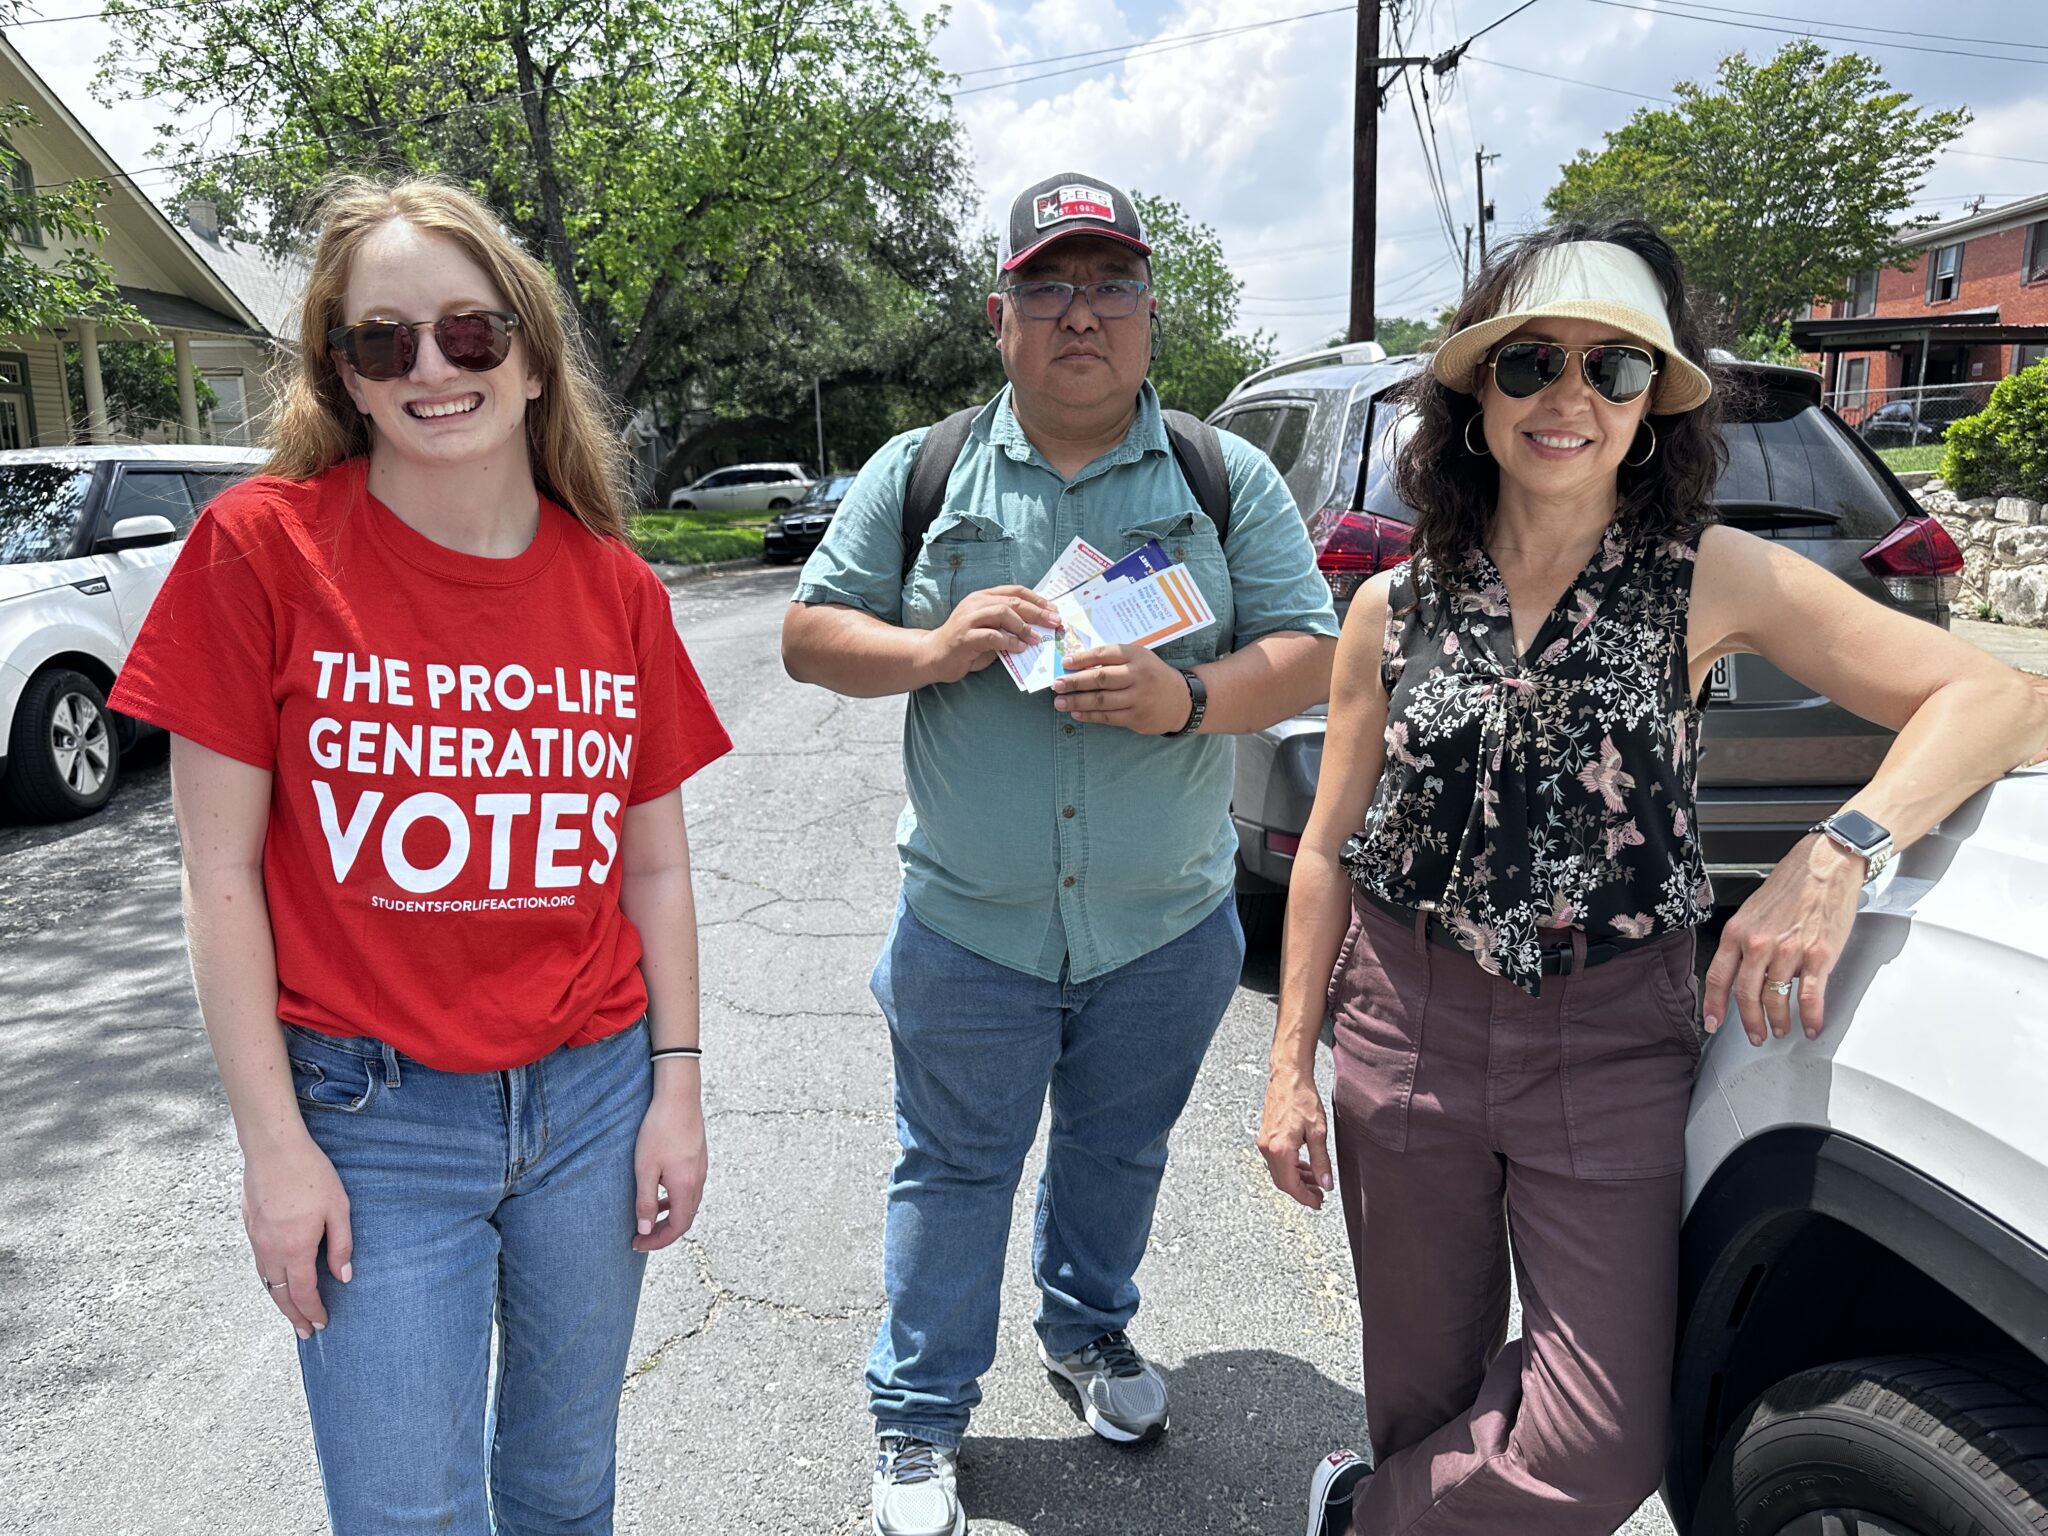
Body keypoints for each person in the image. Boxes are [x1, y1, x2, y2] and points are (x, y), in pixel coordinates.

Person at [1256, 219, 2048, 1536]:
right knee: (1423, 1391)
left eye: (1613, 370)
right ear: (1477, 392)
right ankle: (1403, 1496)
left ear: (1652, 405)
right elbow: (1332, 844)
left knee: (1603, 1434)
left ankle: (1366, 1520)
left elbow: (2000, 699)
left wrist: (1840, 846)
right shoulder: (1389, 606)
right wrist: (1291, 1060)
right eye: (1532, 365)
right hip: (1405, 1026)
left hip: (1607, 1038)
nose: (1570, 397)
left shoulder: (1708, 576)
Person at [109, 175, 731, 1532]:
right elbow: (218, 883)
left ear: (529, 349)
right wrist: (275, 1149)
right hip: (370, 1119)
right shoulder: (259, 554)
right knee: (408, 1515)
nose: (430, 368)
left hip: (591, 1104)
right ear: (341, 371)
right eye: (381, 342)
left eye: (468, 331)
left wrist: (675, 1088)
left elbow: (658, 871)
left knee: (567, 1493)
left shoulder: (613, 585)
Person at [781, 171, 1340, 1536]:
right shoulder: (924, 470)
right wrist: (930, 646)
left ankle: (1088, 1333)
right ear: (1002, 316)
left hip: (1164, 922)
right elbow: (809, 633)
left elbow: (1315, 648)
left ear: (1150, 315)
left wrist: (1188, 698)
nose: (1078, 315)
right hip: (970, 923)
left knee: (1117, 1150)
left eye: (1108, 288)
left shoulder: (1224, 475)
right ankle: (918, 1424)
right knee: (951, 1170)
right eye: (1048, 287)